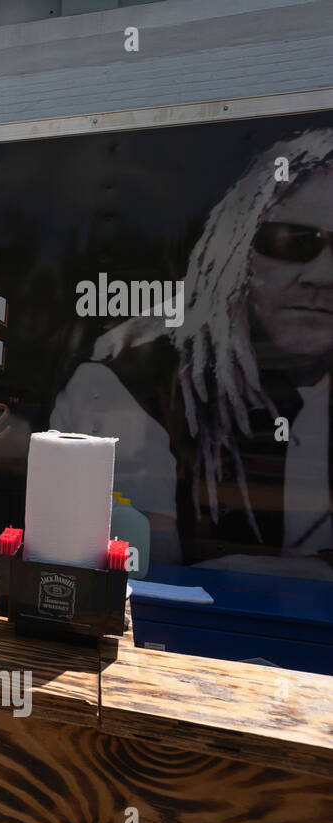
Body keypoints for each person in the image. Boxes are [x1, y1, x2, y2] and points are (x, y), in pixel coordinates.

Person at [51, 127, 333, 578]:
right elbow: (144, 573)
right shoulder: (132, 380)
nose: (323, 275)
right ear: (238, 252)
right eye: (293, 242)